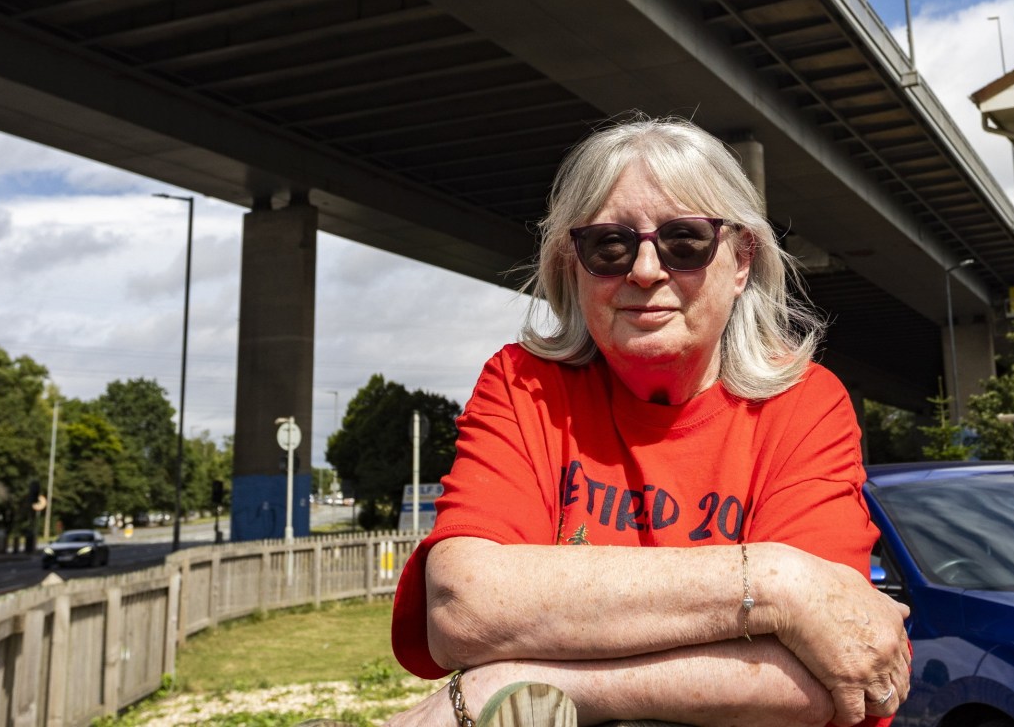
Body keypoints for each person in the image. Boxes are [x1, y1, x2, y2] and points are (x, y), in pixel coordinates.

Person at [388, 116, 910, 727]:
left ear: (742, 261)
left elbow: (824, 678)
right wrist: (779, 584)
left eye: (685, 240)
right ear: (571, 264)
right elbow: (463, 608)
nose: (644, 269)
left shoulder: (805, 404)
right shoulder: (523, 385)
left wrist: (521, 678)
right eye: (608, 245)